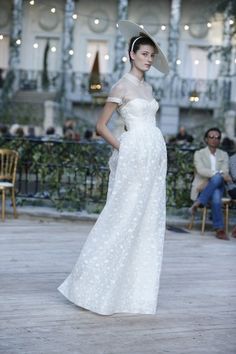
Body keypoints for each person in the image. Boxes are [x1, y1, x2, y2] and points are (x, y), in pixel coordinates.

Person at [58, 20, 169, 315]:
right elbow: (100, 126)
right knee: (122, 218)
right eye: (144, 54)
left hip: (153, 163)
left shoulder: (148, 87)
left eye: (152, 55)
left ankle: (131, 293)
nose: (149, 59)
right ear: (132, 55)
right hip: (135, 160)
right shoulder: (122, 85)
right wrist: (126, 149)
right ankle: (89, 287)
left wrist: (150, 152)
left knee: (147, 223)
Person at [189, 127, 231, 240]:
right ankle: (219, 230)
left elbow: (226, 171)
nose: (214, 139)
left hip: (217, 184)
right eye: (211, 137)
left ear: (220, 140)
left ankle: (200, 201)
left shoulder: (224, 154)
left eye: (217, 137)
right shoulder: (199, 154)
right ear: (206, 139)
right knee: (216, 194)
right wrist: (216, 176)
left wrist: (214, 178)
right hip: (201, 186)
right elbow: (201, 170)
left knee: (217, 182)